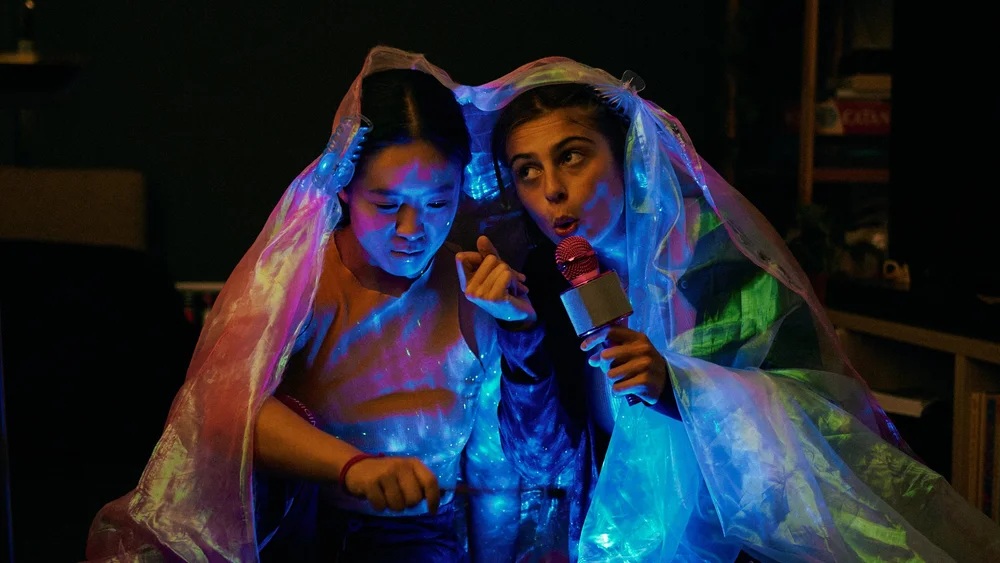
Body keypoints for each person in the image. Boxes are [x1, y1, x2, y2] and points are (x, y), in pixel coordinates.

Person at [456, 57, 1000, 561]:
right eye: (527, 170)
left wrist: (681, 389)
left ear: (627, 152)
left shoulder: (713, 256)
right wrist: (520, 331)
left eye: (571, 156)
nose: (551, 190)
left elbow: (819, 421)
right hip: (611, 539)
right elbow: (543, 461)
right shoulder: (545, 278)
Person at [84, 46, 521, 563]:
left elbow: (492, 465)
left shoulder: (472, 286)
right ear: (344, 188)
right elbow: (226, 410)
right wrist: (353, 467)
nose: (412, 230)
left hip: (429, 542)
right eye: (387, 204)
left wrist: (523, 332)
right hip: (309, 536)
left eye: (438, 203)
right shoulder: (300, 278)